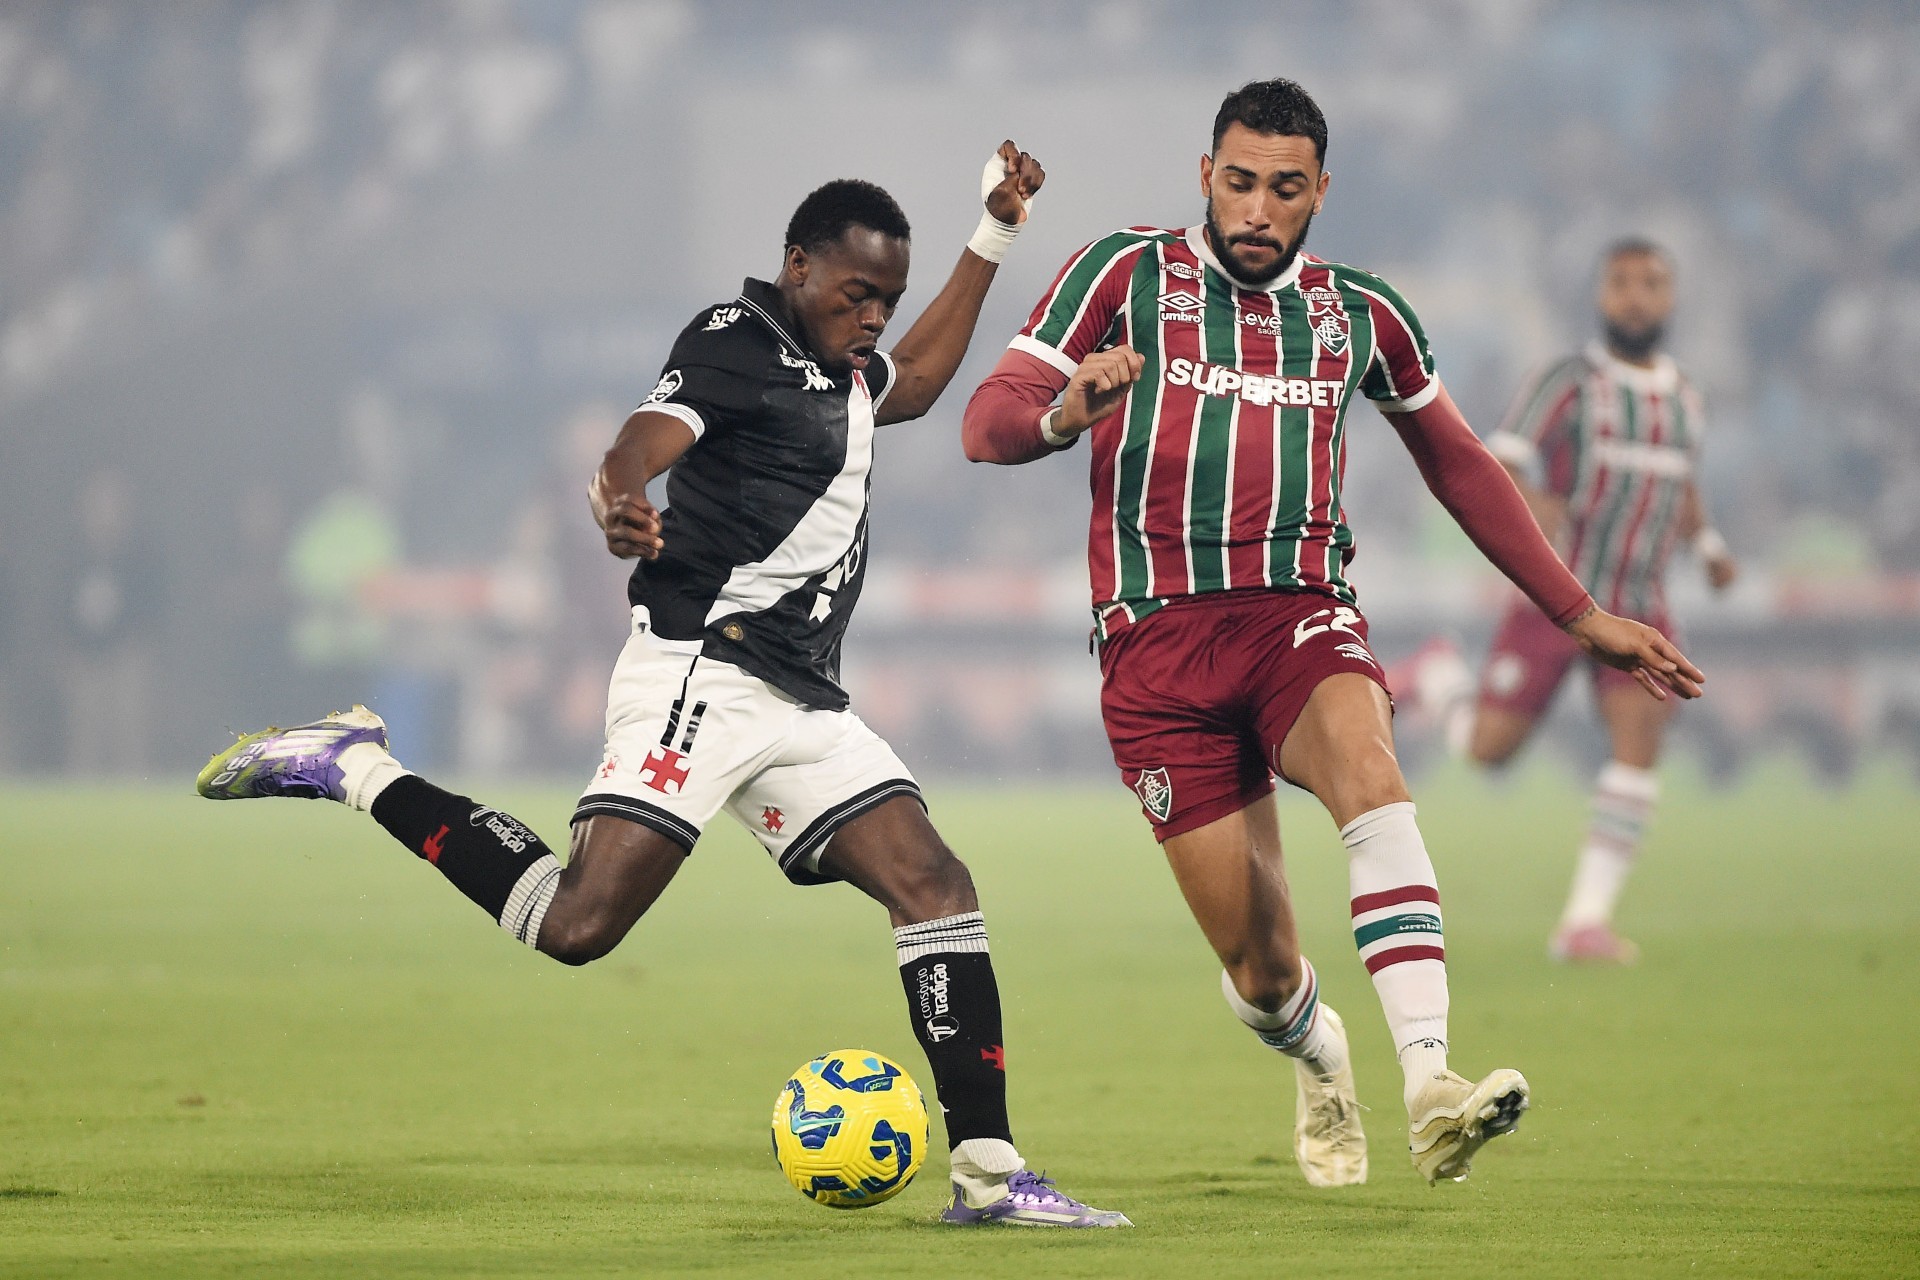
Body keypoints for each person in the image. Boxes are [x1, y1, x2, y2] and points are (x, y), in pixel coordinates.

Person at [198, 144, 1130, 1228]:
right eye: (856, 293)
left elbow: (916, 381)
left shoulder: (845, 369)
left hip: (798, 697)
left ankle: (990, 1174)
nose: (874, 316)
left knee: (936, 883)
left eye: (888, 298)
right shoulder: (735, 341)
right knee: (576, 922)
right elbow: (639, 443)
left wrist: (993, 233)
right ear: (797, 266)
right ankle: (357, 767)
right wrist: (619, 496)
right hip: (703, 674)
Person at [961, 80, 1705, 1186]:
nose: (1259, 209)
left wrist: (1579, 611)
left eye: (1285, 188)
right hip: (1154, 647)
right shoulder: (1122, 274)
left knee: (1370, 772)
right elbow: (985, 425)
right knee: (1263, 973)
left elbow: (1461, 464)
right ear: (1206, 176)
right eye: (1240, 182)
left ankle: (1432, 1083)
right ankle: (1320, 1055)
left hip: (1296, 612)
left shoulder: (1361, 313)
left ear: (1319, 193)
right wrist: (1066, 411)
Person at [1396, 239, 1738, 965]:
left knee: (1638, 749)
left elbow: (1681, 481)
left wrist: (1708, 545)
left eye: (1651, 283)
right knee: (1489, 753)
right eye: (1622, 283)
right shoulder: (1568, 383)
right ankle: (1439, 676)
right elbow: (1499, 459)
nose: (1636, 297)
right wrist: (1536, 505)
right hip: (1560, 601)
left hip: (1641, 603)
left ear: (1671, 297)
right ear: (1600, 295)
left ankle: (1585, 923)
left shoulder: (1686, 397)